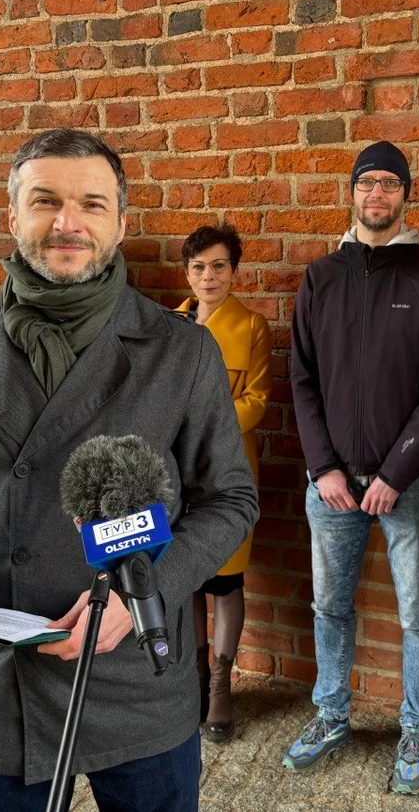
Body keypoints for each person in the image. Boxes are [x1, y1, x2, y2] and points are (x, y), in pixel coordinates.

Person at [0, 129, 259, 812]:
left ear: (120, 223)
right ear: (13, 215)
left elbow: (230, 500)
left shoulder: (181, 353)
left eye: (92, 204)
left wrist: (148, 597)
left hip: (139, 671)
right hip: (6, 677)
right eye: (45, 201)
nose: (67, 222)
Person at [284, 141, 419, 794]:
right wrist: (323, 467)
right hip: (330, 488)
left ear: (405, 195)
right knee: (329, 607)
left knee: (418, 613)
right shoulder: (321, 278)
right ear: (353, 194)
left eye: (390, 184)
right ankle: (331, 716)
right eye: (367, 184)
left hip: (407, 486)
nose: (377, 195)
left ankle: (415, 731)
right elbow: (301, 378)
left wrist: (395, 472)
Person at [174, 224, 271, 744]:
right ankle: (190, 679)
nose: (207, 276)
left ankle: (220, 687)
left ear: (233, 271)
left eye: (217, 266)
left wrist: (201, 420)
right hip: (179, 475)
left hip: (230, 471)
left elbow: (256, 402)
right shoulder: (172, 322)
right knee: (187, 575)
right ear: (186, 272)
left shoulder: (252, 326)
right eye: (197, 267)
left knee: (227, 580)